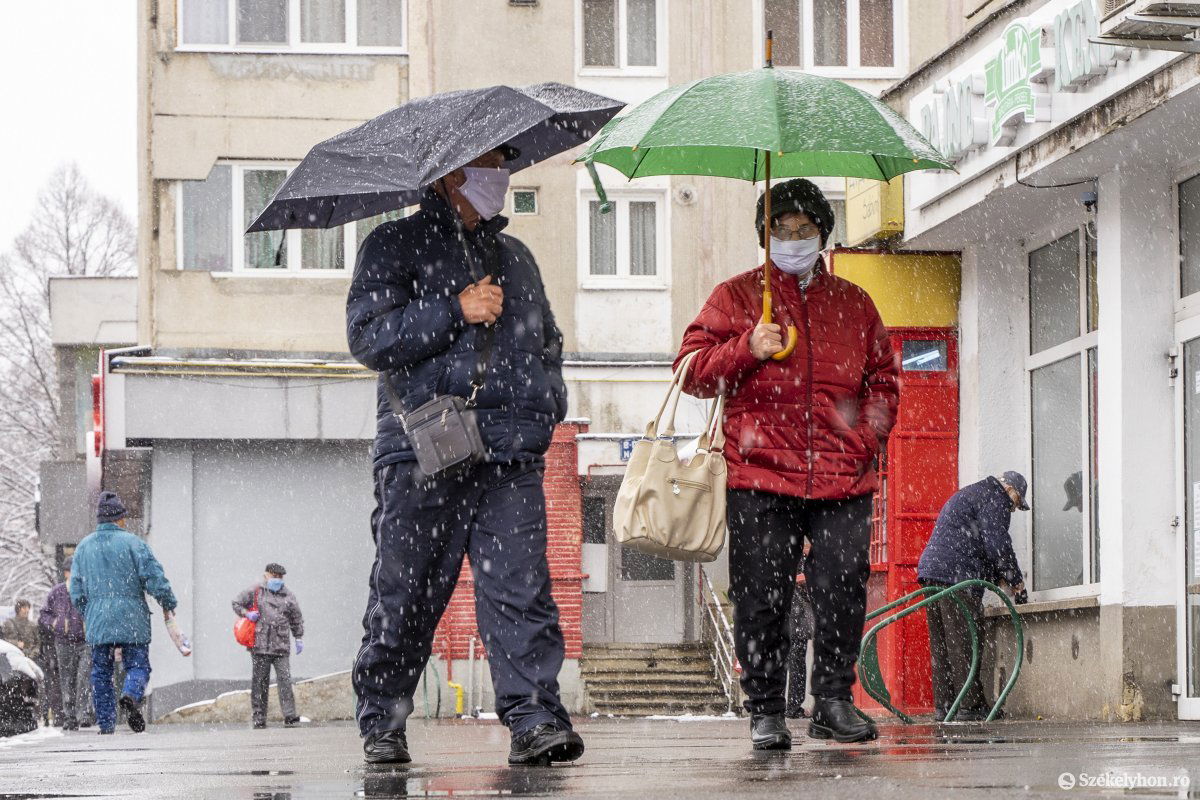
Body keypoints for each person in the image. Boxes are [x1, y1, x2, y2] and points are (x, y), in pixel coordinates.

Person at [346, 146, 582, 766]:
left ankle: (534, 718)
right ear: (450, 172)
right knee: (409, 590)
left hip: (508, 455)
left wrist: (547, 401)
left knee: (521, 587)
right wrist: (454, 309)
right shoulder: (392, 245)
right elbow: (368, 337)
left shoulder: (517, 258)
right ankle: (384, 718)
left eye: (505, 163)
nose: (500, 176)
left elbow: (546, 341)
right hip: (426, 448)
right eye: (489, 163)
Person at [677, 178, 900, 749]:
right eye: (781, 229)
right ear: (763, 236)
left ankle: (832, 699)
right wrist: (745, 349)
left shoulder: (855, 303)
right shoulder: (736, 298)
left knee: (843, 587)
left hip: (842, 477)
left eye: (804, 230)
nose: (793, 239)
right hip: (761, 474)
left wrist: (865, 440)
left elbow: (884, 379)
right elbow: (689, 371)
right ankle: (767, 709)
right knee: (761, 593)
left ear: (823, 233)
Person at [917, 471, 1029, 722]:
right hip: (955, 576)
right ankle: (970, 705)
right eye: (1015, 504)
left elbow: (974, 543)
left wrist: (995, 578)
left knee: (943, 644)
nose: (1011, 510)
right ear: (1010, 490)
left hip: (932, 571)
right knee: (964, 640)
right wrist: (1016, 582)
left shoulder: (974, 493)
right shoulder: (995, 498)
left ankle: (946, 706)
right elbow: (996, 543)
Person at [70, 491, 178, 735]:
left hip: (99, 618)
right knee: (138, 665)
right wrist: (167, 601)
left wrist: (90, 611)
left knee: (101, 672)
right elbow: (154, 578)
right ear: (119, 518)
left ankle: (106, 724)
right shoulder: (134, 543)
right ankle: (130, 693)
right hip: (132, 617)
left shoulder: (83, 547)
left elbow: (75, 590)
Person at [233, 563, 304, 729]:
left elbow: (296, 618)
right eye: (274, 576)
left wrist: (298, 637)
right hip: (260, 646)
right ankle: (259, 717)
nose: (277, 579)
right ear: (266, 575)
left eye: (279, 577)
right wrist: (247, 614)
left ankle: (290, 716)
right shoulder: (256, 591)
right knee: (259, 683)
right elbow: (236, 603)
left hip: (281, 646)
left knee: (285, 681)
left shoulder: (288, 595)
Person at [44, 557, 94, 730]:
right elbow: (44, 615)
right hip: (64, 642)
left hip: (85, 641)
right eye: (70, 571)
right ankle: (70, 716)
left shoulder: (87, 589)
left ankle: (84, 714)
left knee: (83, 677)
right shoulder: (57, 592)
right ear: (65, 572)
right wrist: (55, 622)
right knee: (67, 679)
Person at [785, 573, 814, 720]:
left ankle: (790, 705)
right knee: (797, 665)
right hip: (797, 622)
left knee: (794, 664)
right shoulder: (802, 561)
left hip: (792, 621)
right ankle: (793, 705)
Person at [35, 599, 63, 726]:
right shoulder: (55, 619)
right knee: (53, 686)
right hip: (51, 654)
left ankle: (49, 715)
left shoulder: (44, 620)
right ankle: (55, 715)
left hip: (48, 654)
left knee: (49, 687)